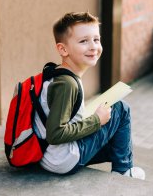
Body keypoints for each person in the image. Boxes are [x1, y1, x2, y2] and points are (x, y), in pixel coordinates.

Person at [33, 11, 145, 179]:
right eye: (84, 41)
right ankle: (123, 171)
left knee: (118, 144)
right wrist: (96, 120)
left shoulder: (55, 74)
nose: (93, 46)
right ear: (63, 49)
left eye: (96, 39)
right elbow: (55, 134)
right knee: (120, 109)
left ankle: (122, 164)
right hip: (62, 160)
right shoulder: (67, 84)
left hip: (47, 155)